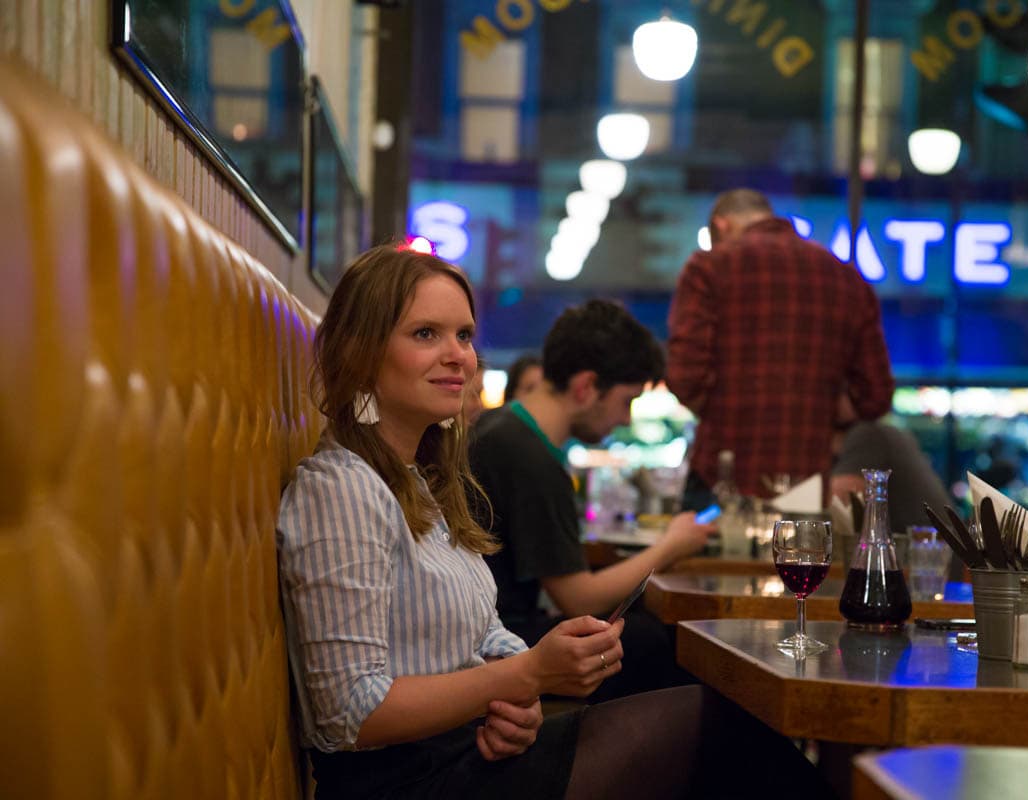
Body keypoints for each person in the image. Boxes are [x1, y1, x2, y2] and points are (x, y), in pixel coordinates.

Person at [276, 245, 830, 799]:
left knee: (729, 727)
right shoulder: (341, 487)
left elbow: (481, 631)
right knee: (725, 731)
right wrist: (528, 675)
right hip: (408, 782)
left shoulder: (418, 480)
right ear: (360, 350)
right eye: (426, 334)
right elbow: (347, 712)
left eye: (464, 336)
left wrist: (520, 697)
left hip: (465, 749)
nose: (458, 357)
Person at [470, 299, 715, 701]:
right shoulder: (530, 457)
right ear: (585, 387)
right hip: (497, 647)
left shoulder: (503, 429)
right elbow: (577, 597)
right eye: (626, 401)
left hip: (491, 634)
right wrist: (672, 544)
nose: (625, 419)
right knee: (665, 644)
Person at [667, 188, 895, 511]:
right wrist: (826, 412)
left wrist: (727, 412)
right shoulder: (848, 279)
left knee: (703, 561)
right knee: (799, 562)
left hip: (722, 478)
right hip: (809, 487)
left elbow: (683, 375)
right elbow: (876, 395)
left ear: (722, 226)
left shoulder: (708, 267)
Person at [829, 396, 952, 533]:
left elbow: (837, 507)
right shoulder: (884, 432)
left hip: (928, 550)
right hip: (924, 547)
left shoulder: (869, 435)